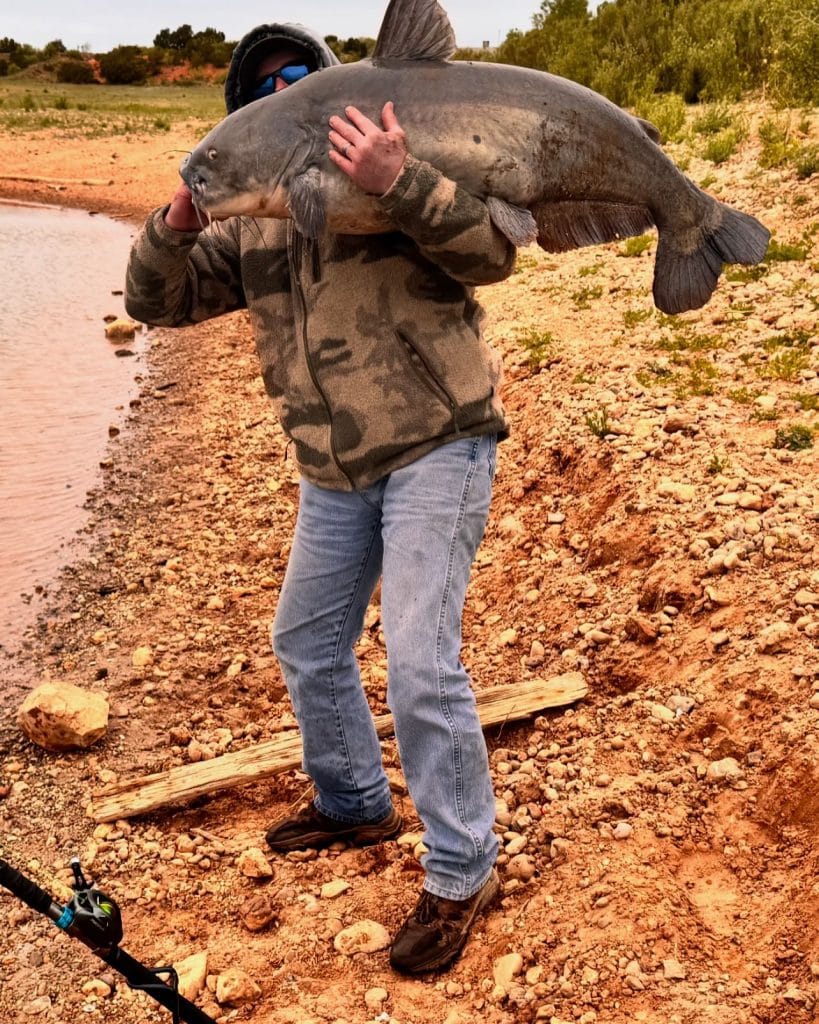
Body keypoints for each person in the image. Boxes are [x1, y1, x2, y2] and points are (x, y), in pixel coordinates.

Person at [125, 21, 516, 975]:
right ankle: (353, 802)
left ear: (331, 91)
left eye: (298, 76)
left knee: (421, 661)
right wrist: (171, 229)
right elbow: (154, 304)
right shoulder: (255, 222)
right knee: (306, 641)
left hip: (437, 442)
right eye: (263, 87)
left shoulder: (399, 171)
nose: (282, 90)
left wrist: (400, 183)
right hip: (333, 470)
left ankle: (464, 869)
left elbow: (492, 255)